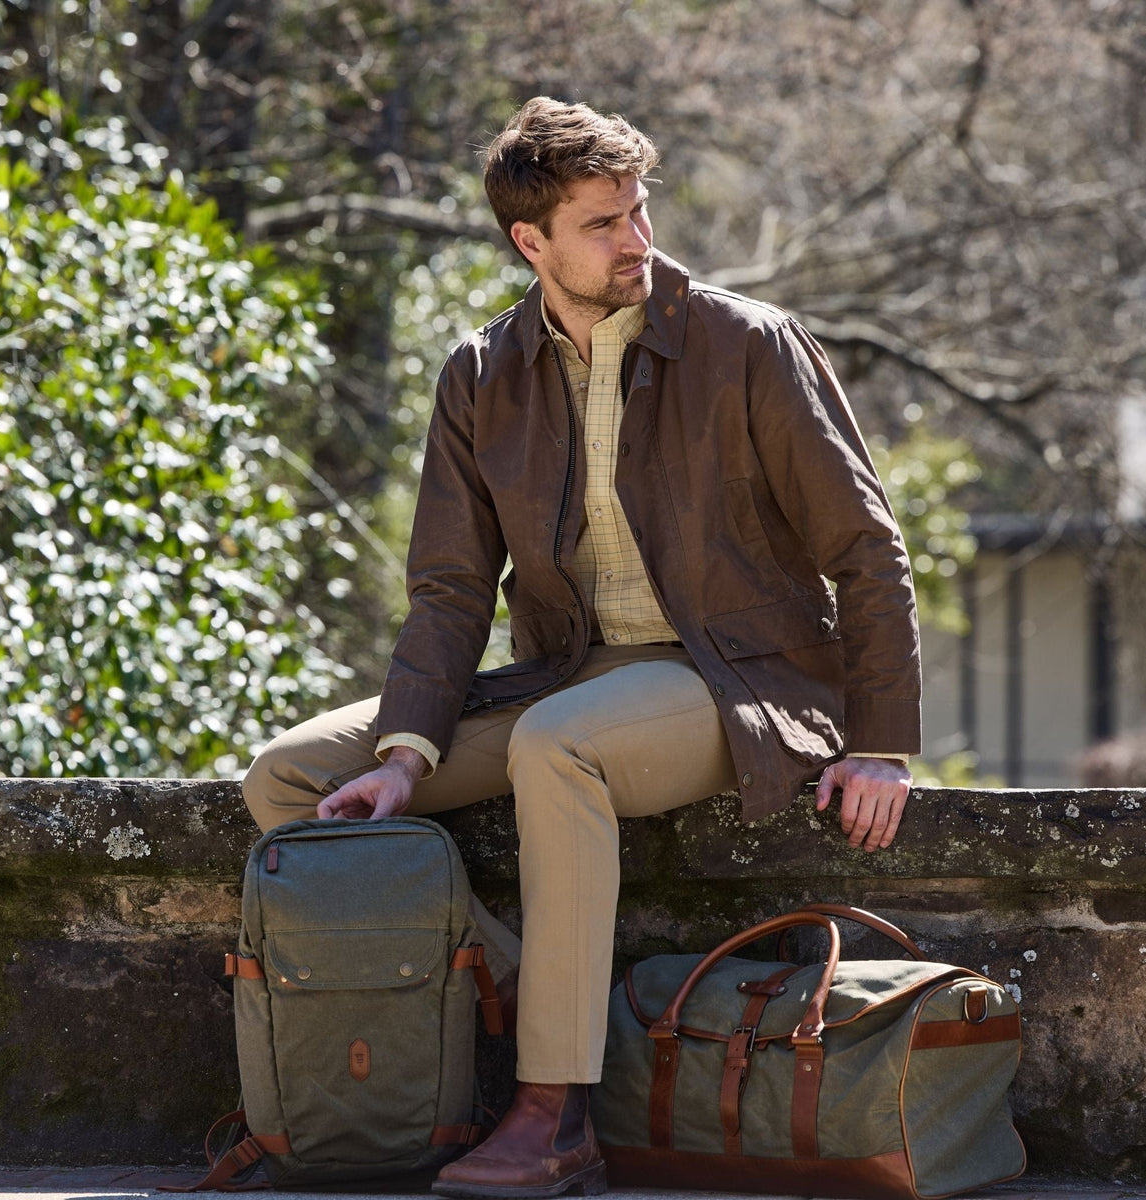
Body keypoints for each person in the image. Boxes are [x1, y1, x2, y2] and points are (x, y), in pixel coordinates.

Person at [242, 96, 920, 1199]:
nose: (636, 240)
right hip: (569, 675)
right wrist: (406, 756)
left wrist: (885, 742)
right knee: (291, 782)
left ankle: (554, 1114)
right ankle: (524, 999)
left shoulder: (748, 345)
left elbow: (868, 549)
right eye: (603, 224)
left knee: (556, 747)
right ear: (531, 242)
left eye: (639, 211)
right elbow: (451, 591)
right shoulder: (481, 375)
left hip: (740, 685)